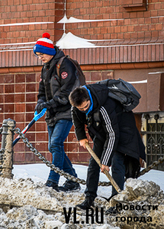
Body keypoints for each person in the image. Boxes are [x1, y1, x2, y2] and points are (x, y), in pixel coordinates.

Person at [69, 84, 146, 212]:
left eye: (85, 107)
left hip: (121, 130)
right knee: (93, 164)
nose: (83, 110)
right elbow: (76, 117)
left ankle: (117, 202)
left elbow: (112, 135)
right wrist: (81, 136)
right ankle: (89, 199)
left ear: (89, 99)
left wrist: (105, 162)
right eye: (80, 108)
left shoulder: (104, 106)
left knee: (117, 162)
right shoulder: (77, 106)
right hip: (102, 131)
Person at [33, 32, 80, 192]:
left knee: (56, 143)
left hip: (67, 111)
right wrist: (41, 102)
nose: (40, 57)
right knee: (54, 146)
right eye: (38, 55)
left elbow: (67, 90)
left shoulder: (65, 64)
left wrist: (50, 103)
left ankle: (52, 181)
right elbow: (41, 90)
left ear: (50, 51)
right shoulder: (45, 68)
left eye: (42, 54)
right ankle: (72, 180)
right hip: (52, 112)